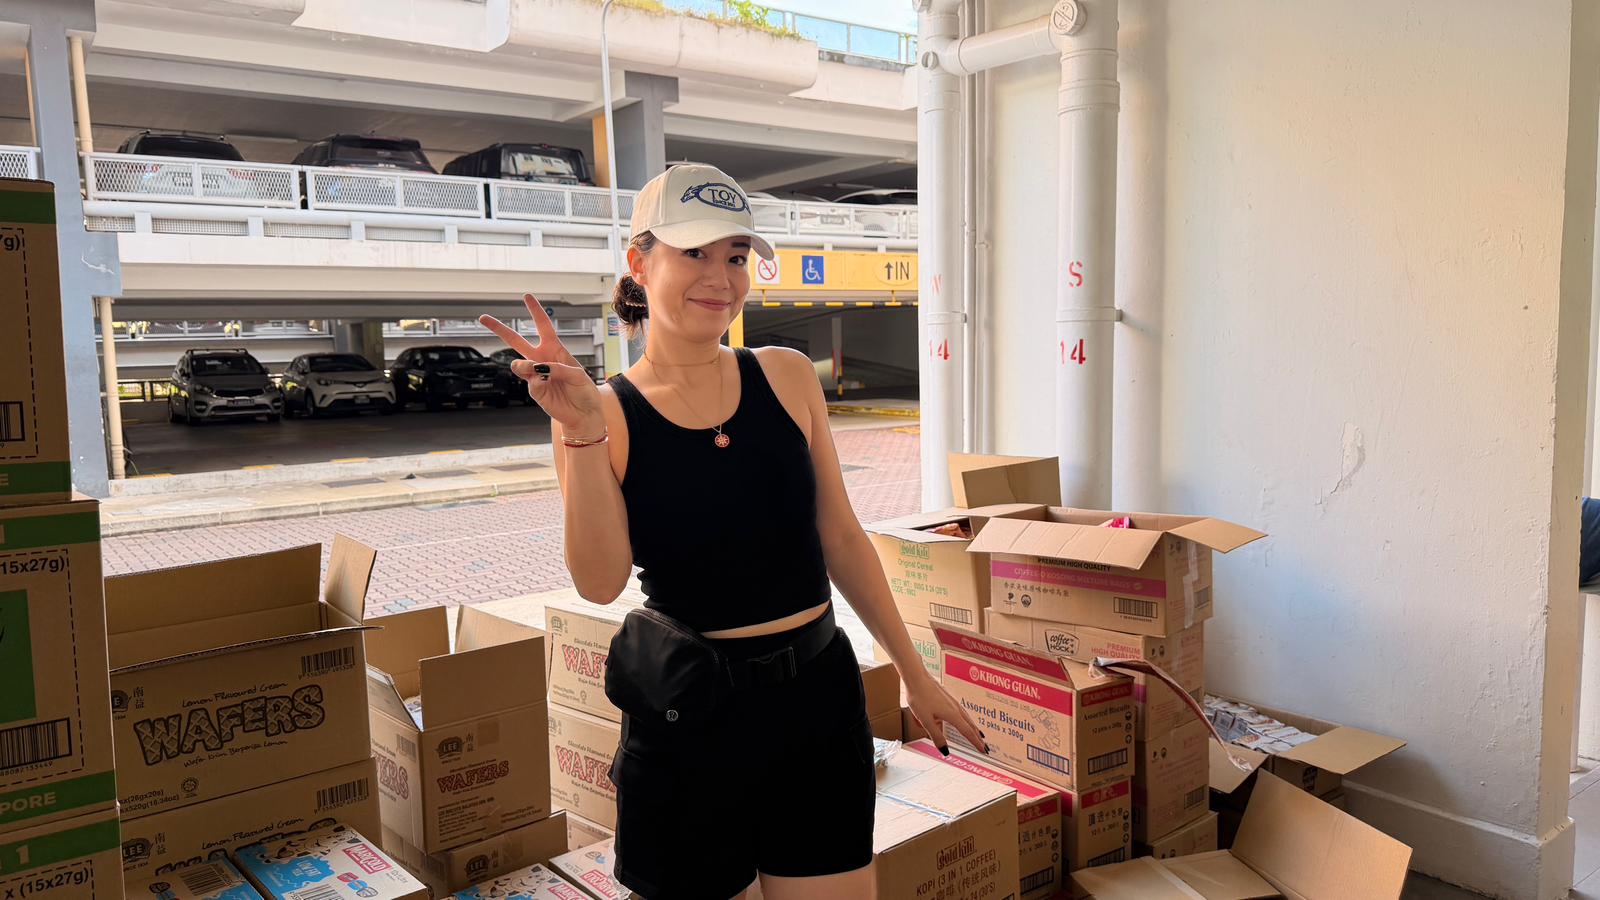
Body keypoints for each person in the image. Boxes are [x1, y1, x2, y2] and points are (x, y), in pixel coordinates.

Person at [481, 163, 988, 900]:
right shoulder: (601, 412)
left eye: (736, 256)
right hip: (690, 719)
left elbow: (842, 538)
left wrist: (915, 673)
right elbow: (599, 582)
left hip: (817, 702)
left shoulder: (788, 375)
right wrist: (582, 431)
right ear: (639, 264)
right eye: (694, 252)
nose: (720, 278)